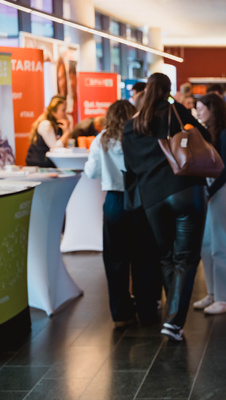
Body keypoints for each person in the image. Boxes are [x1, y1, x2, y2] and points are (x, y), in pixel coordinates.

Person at [122, 72, 211, 341]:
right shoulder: (176, 111)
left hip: (152, 198)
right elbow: (206, 136)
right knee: (186, 257)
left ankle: (173, 316)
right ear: (167, 90)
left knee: (167, 256)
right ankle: (174, 321)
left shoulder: (132, 125)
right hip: (185, 191)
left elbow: (130, 167)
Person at [84, 100, 162, 328]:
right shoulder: (140, 136)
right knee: (144, 257)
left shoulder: (101, 140)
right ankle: (147, 311)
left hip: (114, 202)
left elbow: (92, 172)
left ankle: (121, 314)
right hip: (139, 201)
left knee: (115, 260)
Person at [193, 93, 226, 315]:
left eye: (201, 109)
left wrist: (209, 192)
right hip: (211, 189)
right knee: (207, 245)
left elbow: (225, 170)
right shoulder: (212, 132)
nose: (199, 113)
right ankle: (214, 292)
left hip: (221, 190)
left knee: (222, 244)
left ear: (212, 109)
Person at [26, 96, 73, 167]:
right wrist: (66, 133)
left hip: (48, 163)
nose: (65, 113)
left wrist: (66, 131)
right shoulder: (46, 124)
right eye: (63, 110)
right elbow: (54, 148)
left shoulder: (58, 124)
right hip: (39, 164)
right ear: (54, 112)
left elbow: (66, 146)